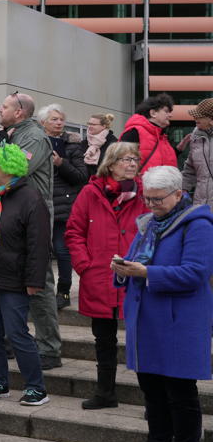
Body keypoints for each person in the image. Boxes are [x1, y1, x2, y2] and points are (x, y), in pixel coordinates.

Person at [113, 165, 213, 442]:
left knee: (179, 394)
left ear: (178, 194)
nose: (151, 206)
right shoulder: (149, 224)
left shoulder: (198, 224)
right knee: (152, 393)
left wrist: (146, 274)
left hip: (178, 321)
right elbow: (134, 260)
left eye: (158, 200)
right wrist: (122, 268)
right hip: (148, 321)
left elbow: (195, 273)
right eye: (148, 199)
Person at [0, 144, 51, 407]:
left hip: (13, 280)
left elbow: (38, 246)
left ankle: (36, 388)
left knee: (17, 334)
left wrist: (34, 281)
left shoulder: (31, 199)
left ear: (8, 167)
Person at [66, 142, 144, 410]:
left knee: (142, 340)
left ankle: (153, 401)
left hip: (136, 278)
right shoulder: (90, 192)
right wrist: (84, 265)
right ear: (110, 164)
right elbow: (74, 232)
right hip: (99, 277)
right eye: (126, 159)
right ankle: (105, 393)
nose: (132, 164)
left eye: (135, 159)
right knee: (104, 340)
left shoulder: (146, 193)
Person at [0, 91, 60, 370]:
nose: (0, 110)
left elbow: (16, 169)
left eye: (5, 106)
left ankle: (49, 347)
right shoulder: (13, 134)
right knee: (12, 276)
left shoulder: (33, 136)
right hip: (16, 211)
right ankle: (15, 340)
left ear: (20, 112)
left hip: (34, 214)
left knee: (39, 278)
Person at [41, 104, 88, 311]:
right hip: (40, 203)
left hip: (63, 206)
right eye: (54, 119)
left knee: (62, 250)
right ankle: (40, 290)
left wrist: (61, 163)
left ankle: (64, 291)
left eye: (61, 119)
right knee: (39, 250)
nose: (59, 122)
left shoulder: (73, 145)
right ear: (43, 123)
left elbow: (81, 176)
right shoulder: (36, 143)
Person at [119, 94, 177, 177]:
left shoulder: (162, 137)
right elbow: (121, 164)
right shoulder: (134, 132)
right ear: (153, 113)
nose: (170, 115)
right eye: (166, 111)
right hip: (141, 188)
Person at [181, 98, 213, 204]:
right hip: (201, 204)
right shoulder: (196, 137)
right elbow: (190, 168)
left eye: (200, 116)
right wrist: (183, 189)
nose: (195, 118)